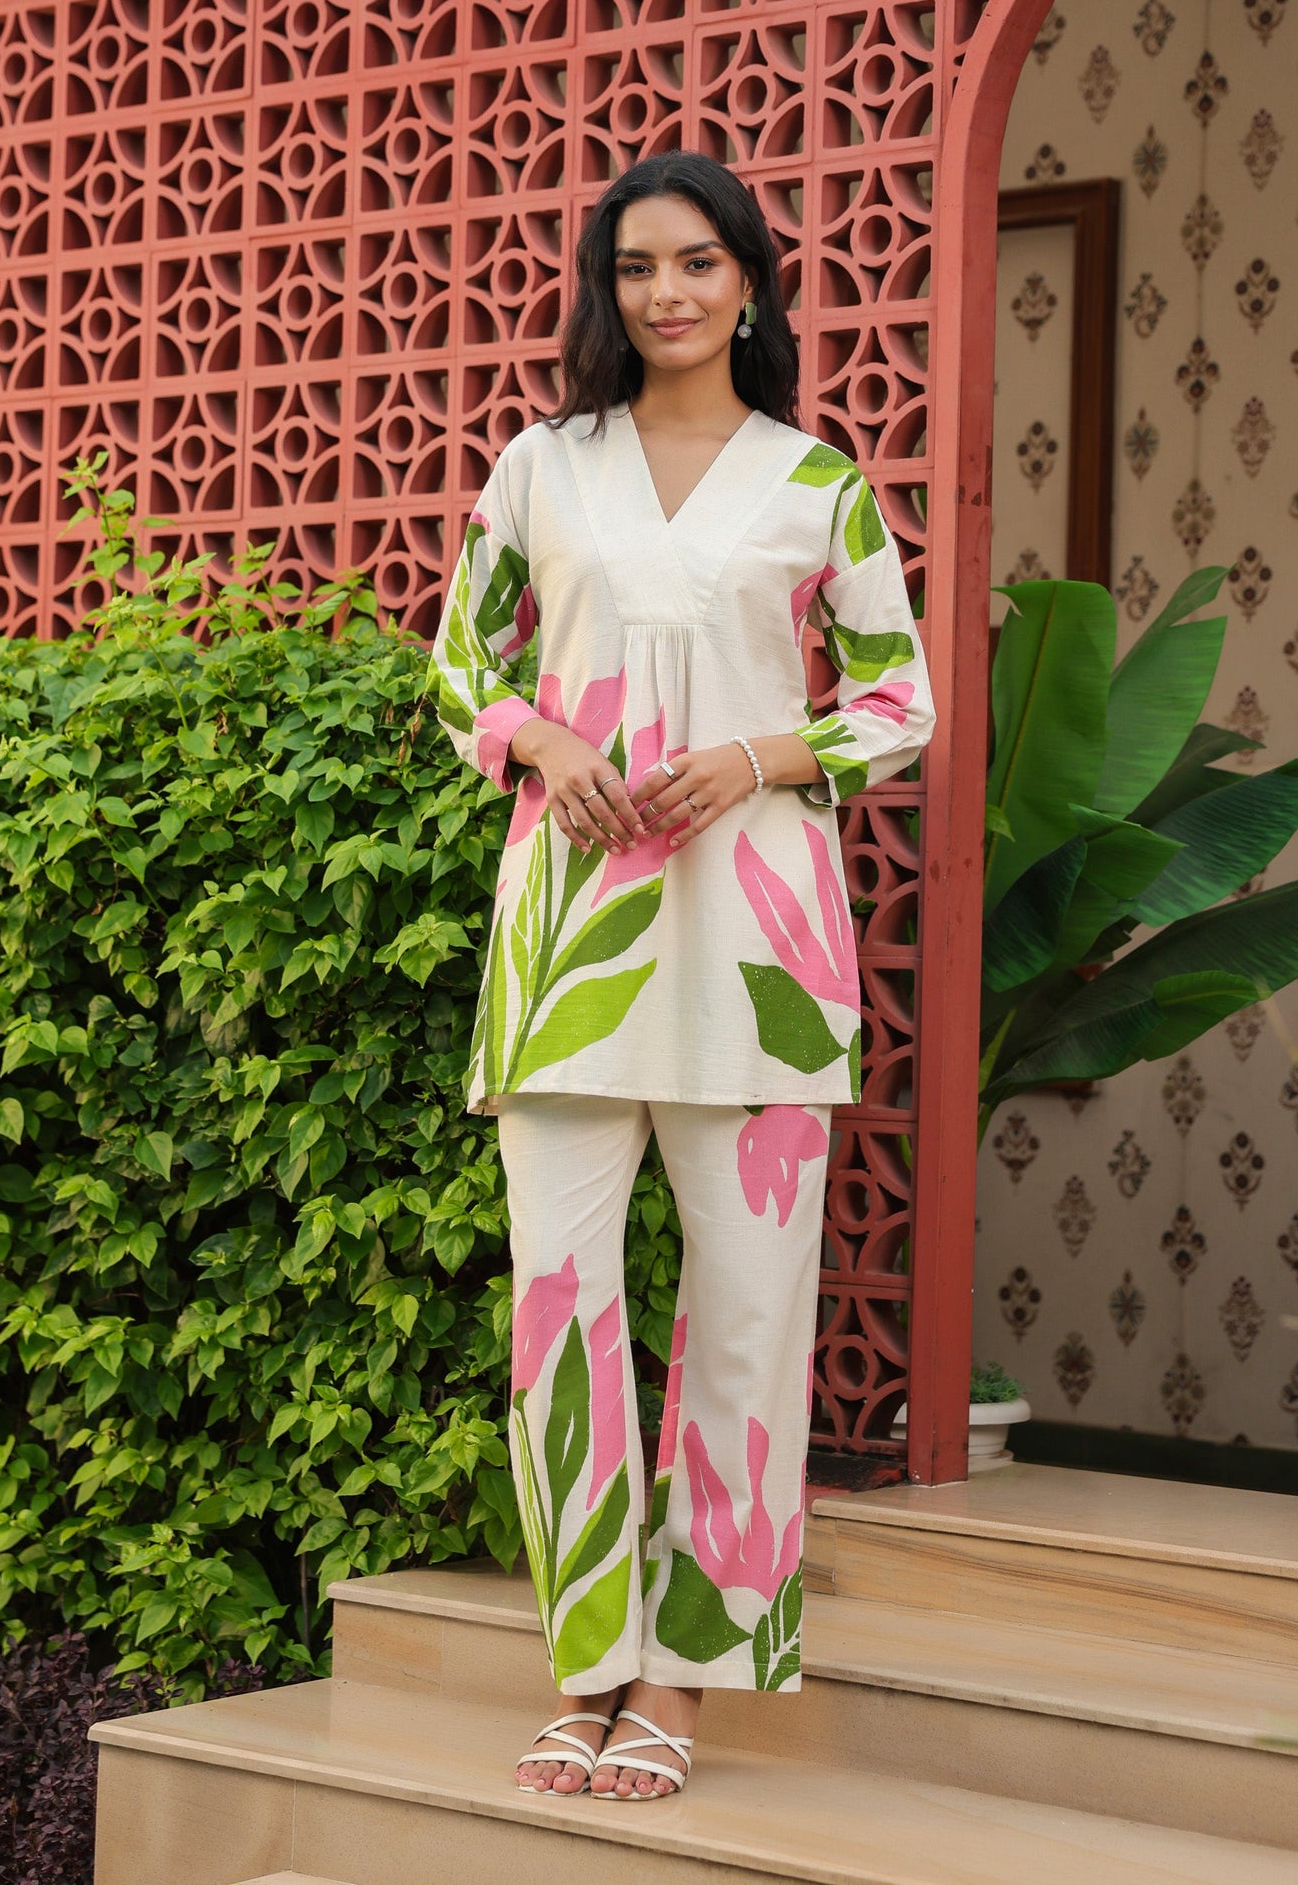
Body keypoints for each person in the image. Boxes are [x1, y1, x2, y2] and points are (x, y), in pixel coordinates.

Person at [428, 149, 936, 1801]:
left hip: (762, 950)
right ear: (607, 287)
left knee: (748, 1314)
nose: (667, 293)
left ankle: (684, 1681)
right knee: (559, 1313)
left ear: (751, 284)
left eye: (700, 263)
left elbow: (899, 699)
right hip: (568, 943)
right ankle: (587, 1665)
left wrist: (757, 757)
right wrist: (541, 738)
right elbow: (461, 665)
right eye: (637, 265)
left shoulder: (817, 483)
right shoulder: (542, 467)